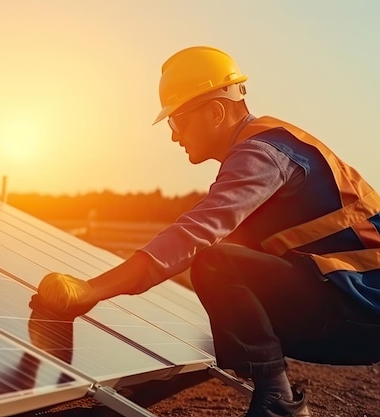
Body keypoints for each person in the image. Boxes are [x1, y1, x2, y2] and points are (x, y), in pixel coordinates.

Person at [29, 46, 380, 417]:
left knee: (216, 264)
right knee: (228, 265)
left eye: (177, 122)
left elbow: (192, 237)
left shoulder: (261, 154)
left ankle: (278, 403)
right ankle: (267, 382)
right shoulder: (273, 147)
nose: (174, 136)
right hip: (354, 301)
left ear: (215, 112)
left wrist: (92, 290)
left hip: (362, 309)